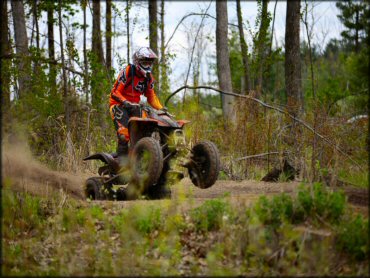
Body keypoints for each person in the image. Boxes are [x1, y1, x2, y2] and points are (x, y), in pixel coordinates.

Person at [109, 47, 164, 157]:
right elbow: (115, 92)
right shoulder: (128, 71)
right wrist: (125, 102)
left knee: (143, 136)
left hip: (135, 107)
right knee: (124, 135)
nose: (147, 66)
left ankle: (139, 161)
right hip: (118, 105)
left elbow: (151, 97)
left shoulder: (148, 78)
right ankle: (121, 162)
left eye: (149, 63)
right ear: (137, 62)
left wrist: (161, 109)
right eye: (145, 62)